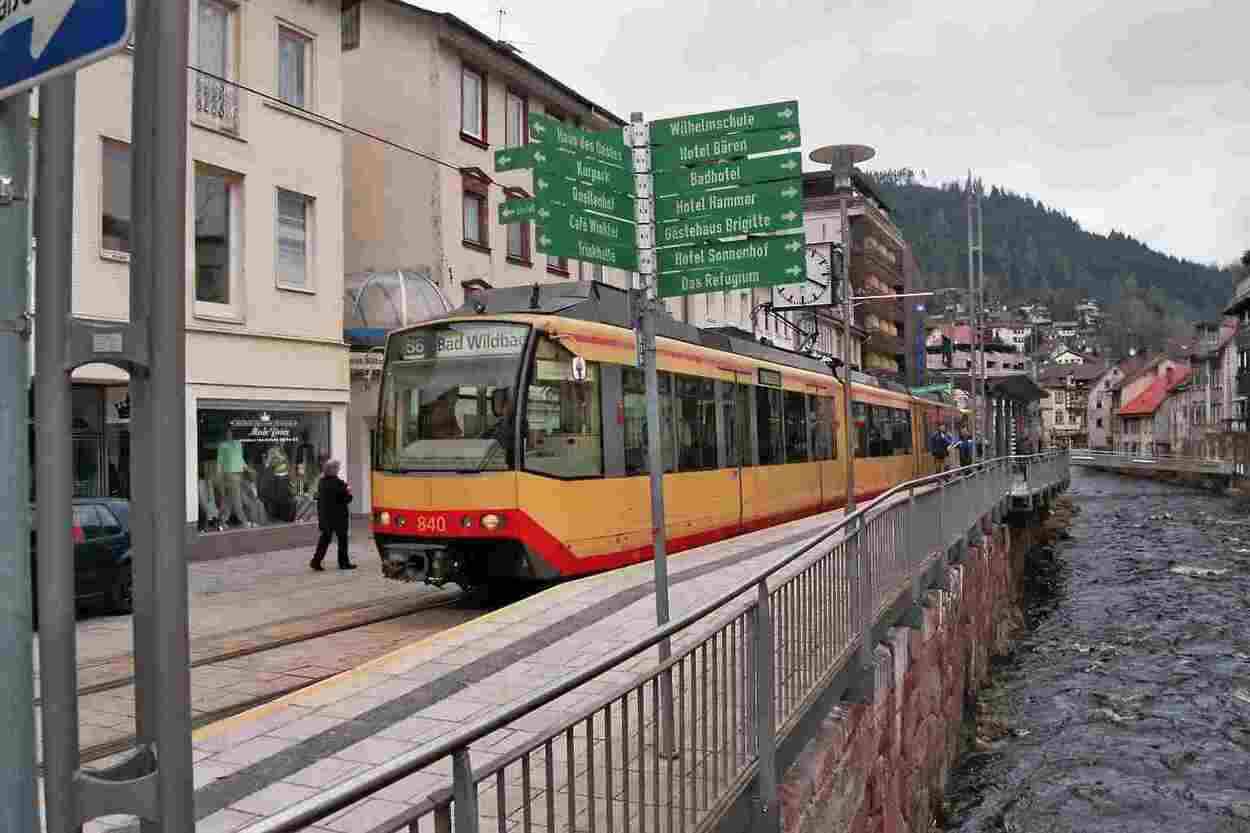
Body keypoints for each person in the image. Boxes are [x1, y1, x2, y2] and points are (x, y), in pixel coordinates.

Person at [310, 460, 356, 571]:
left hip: (326, 516)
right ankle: (343, 563)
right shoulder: (337, 483)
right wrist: (348, 492)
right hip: (339, 516)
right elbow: (347, 498)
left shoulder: (322, 482)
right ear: (333, 470)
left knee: (325, 540)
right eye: (337, 468)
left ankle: (316, 561)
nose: (338, 470)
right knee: (342, 540)